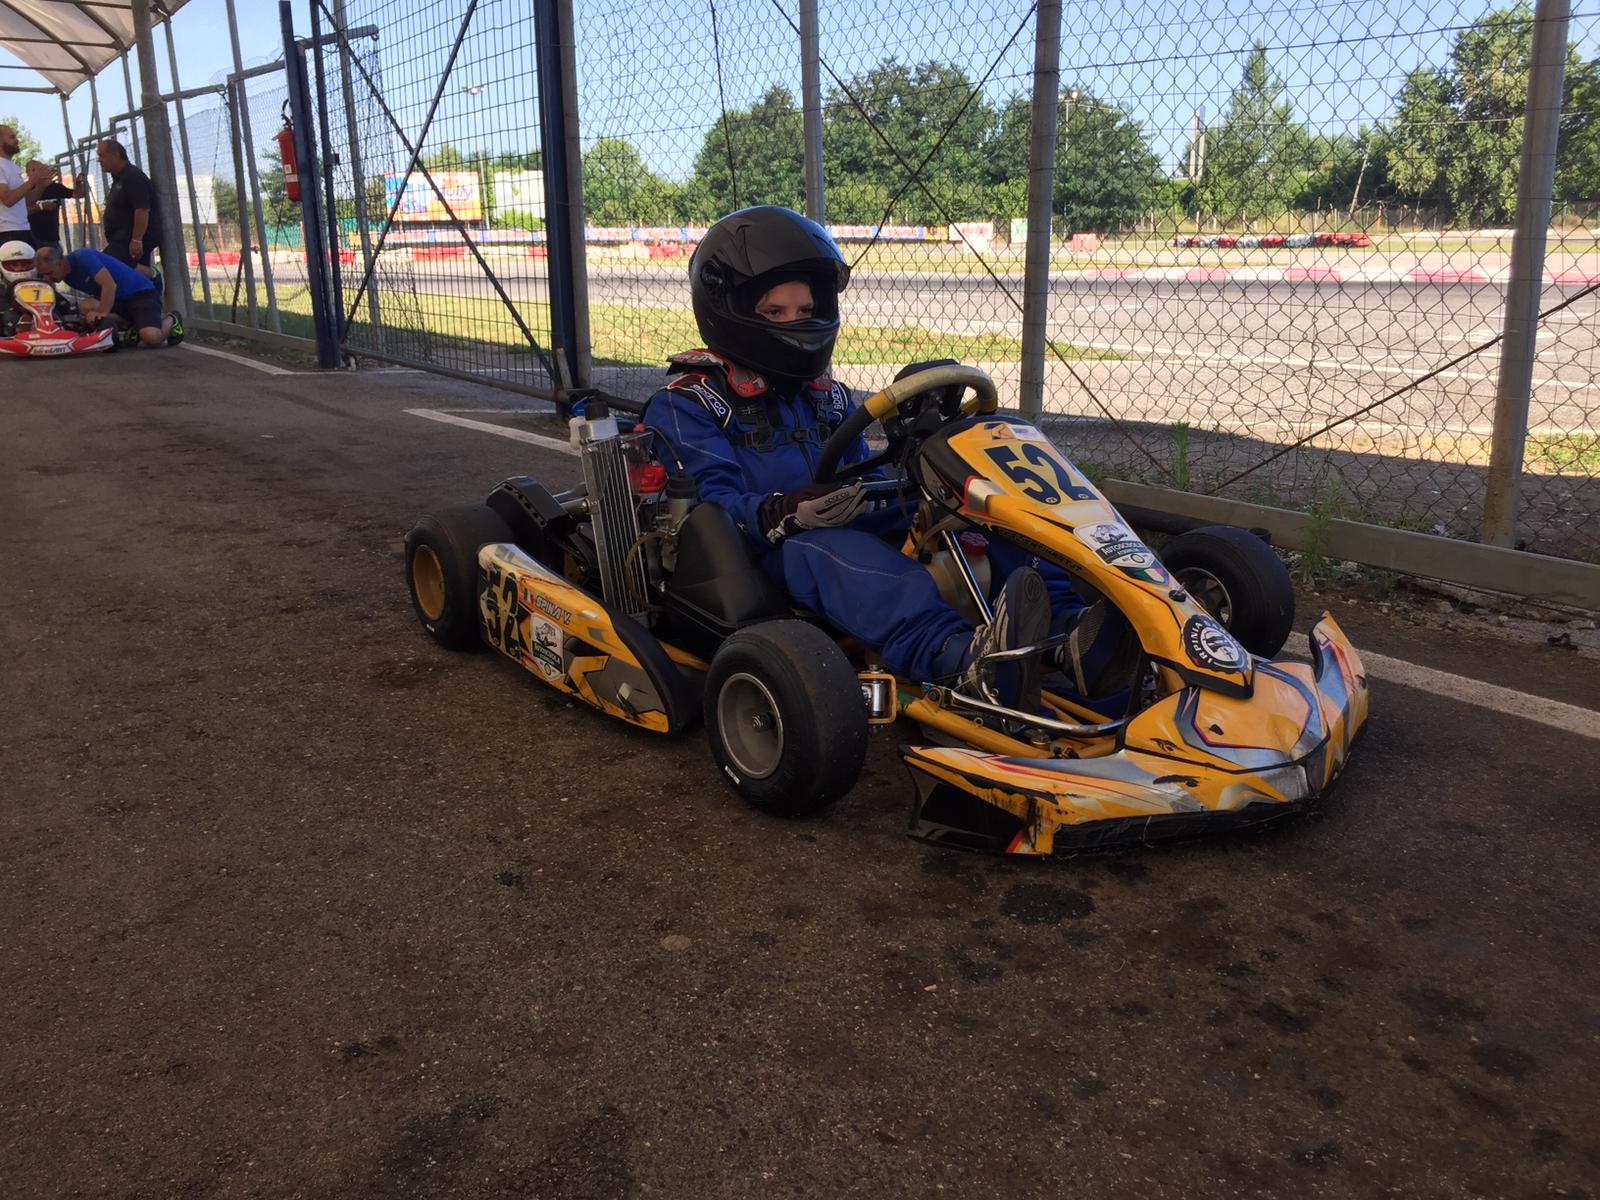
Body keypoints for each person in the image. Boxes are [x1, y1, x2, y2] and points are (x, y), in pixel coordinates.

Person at [642, 205, 1096, 712]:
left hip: (844, 526)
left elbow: (865, 469)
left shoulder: (826, 396)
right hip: (760, 554)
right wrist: (781, 512)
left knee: (975, 517)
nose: (797, 322)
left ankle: (1073, 634)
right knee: (830, 551)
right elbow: (710, 508)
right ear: (733, 311)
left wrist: (916, 466)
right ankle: (960, 659)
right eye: (776, 313)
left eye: (805, 310)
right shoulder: (690, 402)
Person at [34, 244, 183, 348]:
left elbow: (109, 285)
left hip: (140, 294)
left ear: (59, 264)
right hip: (118, 300)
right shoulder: (64, 275)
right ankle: (131, 326)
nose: (47, 279)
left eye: (49, 274)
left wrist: (102, 314)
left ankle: (172, 320)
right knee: (85, 306)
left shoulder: (83, 257)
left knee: (151, 338)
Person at [95, 139, 160, 277]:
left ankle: (154, 276)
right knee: (121, 273)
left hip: (131, 239)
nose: (99, 160)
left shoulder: (132, 176)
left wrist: (136, 240)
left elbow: (142, 209)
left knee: (106, 264)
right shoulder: (119, 178)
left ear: (115, 155)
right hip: (121, 239)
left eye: (102, 156)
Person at [25, 159, 85, 253]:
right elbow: (22, 210)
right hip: (33, 238)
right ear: (30, 172)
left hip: (51, 238)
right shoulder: (25, 189)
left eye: (43, 169)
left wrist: (79, 183)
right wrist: (41, 207)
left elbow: (77, 194)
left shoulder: (55, 187)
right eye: (39, 170)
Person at [0, 124, 45, 248]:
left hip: (23, 229)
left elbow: (26, 202)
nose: (16, 140)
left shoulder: (13, 166)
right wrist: (31, 181)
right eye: (11, 137)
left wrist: (40, 185)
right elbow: (7, 200)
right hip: (7, 232)